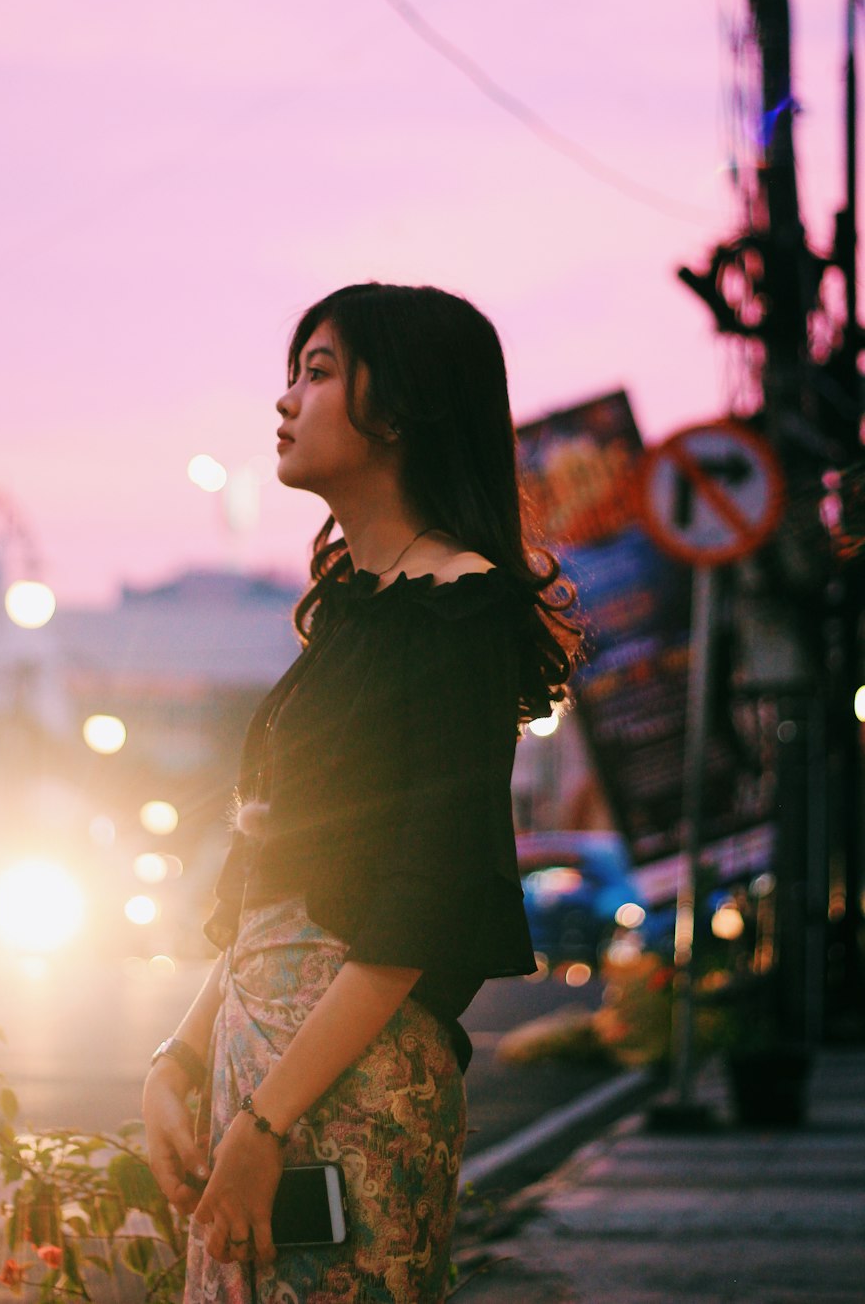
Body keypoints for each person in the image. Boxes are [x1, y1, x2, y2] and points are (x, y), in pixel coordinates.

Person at [143, 282, 579, 1303]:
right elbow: (269, 875)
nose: (286, 401)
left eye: (320, 370)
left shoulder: (456, 610)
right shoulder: (355, 611)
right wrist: (179, 1056)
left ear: (405, 405)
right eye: (293, 372)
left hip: (351, 1091)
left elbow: (419, 905)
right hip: (265, 1077)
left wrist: (265, 1125)